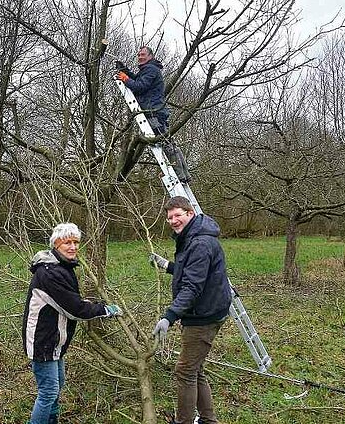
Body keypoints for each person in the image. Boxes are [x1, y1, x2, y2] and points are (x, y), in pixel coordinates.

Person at [22, 223, 122, 424]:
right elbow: (75, 309)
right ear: (56, 245)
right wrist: (104, 310)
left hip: (55, 340)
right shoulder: (50, 273)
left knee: (57, 387)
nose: (73, 247)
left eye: (76, 242)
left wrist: (88, 305)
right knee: (48, 392)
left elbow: (69, 300)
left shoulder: (62, 267)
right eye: (67, 242)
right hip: (43, 341)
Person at [149, 196, 232, 424]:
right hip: (207, 309)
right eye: (170, 217)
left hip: (203, 316)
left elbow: (192, 286)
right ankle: (207, 419)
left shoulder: (199, 243)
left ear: (190, 214)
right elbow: (192, 270)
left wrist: (169, 316)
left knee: (185, 371)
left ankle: (184, 421)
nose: (174, 221)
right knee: (195, 369)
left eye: (178, 215)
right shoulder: (193, 237)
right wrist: (167, 266)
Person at [116, 46, 191, 183]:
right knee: (169, 142)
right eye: (138, 54)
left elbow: (140, 86)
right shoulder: (149, 69)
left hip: (153, 112)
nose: (140, 56)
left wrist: (125, 79)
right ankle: (184, 174)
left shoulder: (150, 70)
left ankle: (180, 175)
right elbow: (139, 80)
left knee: (165, 143)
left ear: (150, 56)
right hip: (156, 111)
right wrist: (125, 71)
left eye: (143, 54)